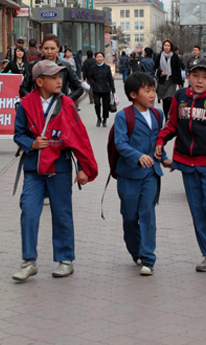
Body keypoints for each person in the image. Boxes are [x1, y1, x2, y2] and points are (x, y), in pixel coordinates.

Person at [12, 60, 98, 281]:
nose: (59, 81)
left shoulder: (67, 104)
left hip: (60, 167)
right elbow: (18, 134)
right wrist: (31, 144)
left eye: (60, 77)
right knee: (28, 211)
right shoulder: (25, 104)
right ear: (39, 82)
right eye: (53, 77)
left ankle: (65, 259)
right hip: (34, 168)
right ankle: (28, 261)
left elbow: (79, 138)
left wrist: (83, 168)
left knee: (62, 214)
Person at [155, 58, 206, 273]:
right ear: (188, 76)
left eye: (205, 77)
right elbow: (172, 124)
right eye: (195, 76)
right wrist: (161, 140)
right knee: (198, 212)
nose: (200, 81)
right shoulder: (179, 97)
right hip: (187, 163)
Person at [114, 72, 170, 275]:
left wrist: (164, 158)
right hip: (128, 174)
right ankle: (135, 250)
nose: (153, 94)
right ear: (133, 94)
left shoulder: (158, 114)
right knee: (130, 217)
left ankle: (148, 258)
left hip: (150, 173)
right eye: (147, 91)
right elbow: (120, 143)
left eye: (153, 90)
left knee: (147, 213)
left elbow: (157, 141)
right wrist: (137, 156)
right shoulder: (123, 116)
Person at [20, 34, 83, 103]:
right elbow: (23, 88)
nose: (49, 52)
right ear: (42, 48)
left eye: (52, 48)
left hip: (58, 107)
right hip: (37, 106)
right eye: (46, 48)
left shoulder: (65, 66)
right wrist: (32, 100)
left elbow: (79, 88)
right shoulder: (33, 66)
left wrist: (65, 101)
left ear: (58, 48)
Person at [155, 40, 184, 118]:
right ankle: (166, 117)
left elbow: (178, 70)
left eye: (168, 46)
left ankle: (170, 116)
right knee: (165, 100)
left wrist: (180, 83)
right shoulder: (159, 56)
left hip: (171, 80)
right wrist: (160, 72)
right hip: (162, 81)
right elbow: (155, 68)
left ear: (171, 47)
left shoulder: (175, 57)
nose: (166, 47)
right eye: (165, 45)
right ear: (163, 47)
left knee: (169, 98)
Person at [87, 51, 115, 127]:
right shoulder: (92, 68)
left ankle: (105, 119)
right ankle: (98, 118)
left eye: (100, 57)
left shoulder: (107, 67)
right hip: (96, 89)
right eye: (97, 57)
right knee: (97, 104)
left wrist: (113, 89)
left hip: (106, 89)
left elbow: (110, 79)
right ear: (95, 58)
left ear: (103, 58)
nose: (99, 58)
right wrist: (93, 83)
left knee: (106, 105)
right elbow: (89, 76)